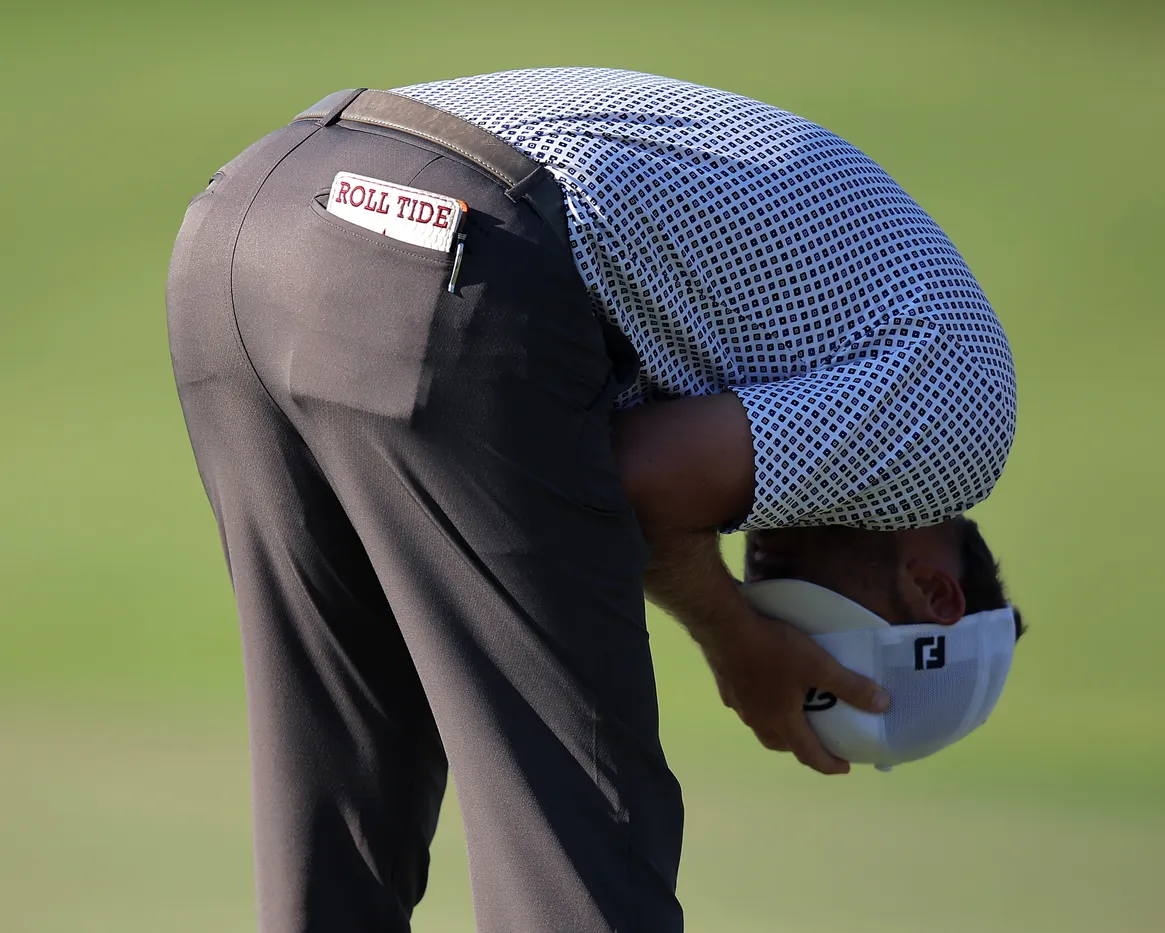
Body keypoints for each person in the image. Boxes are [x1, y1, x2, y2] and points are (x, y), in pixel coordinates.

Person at [166, 67, 1017, 933]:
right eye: (816, 642)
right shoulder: (962, 429)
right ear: (935, 591)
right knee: (580, 856)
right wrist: (735, 634)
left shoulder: (871, 358)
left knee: (338, 828)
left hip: (246, 217)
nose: (774, 599)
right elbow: (632, 480)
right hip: (443, 244)